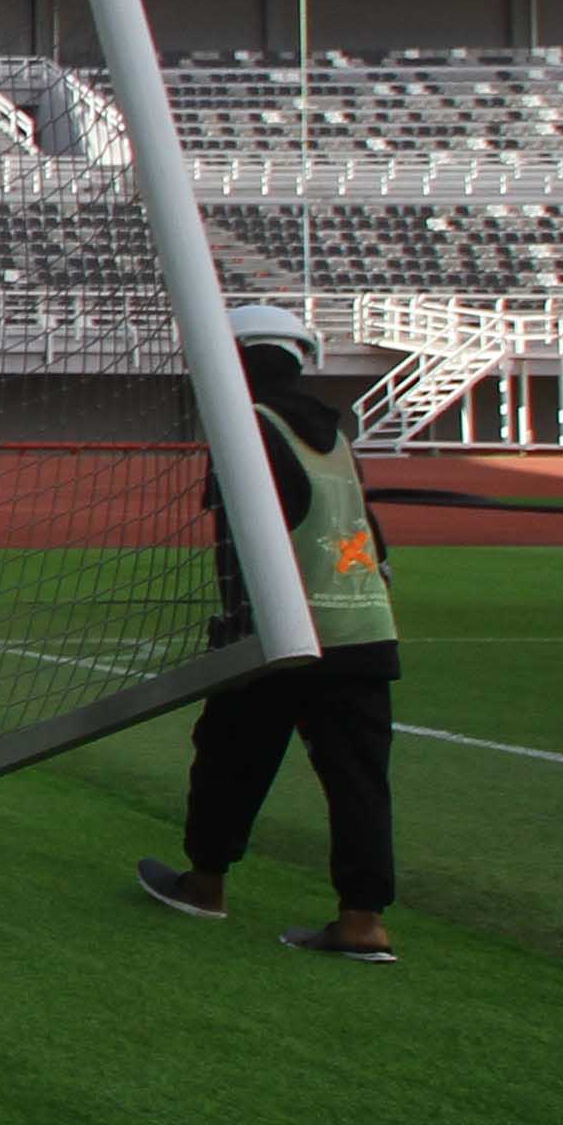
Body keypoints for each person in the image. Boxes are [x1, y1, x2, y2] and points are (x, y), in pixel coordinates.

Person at [137, 301, 401, 962]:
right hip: (365, 627)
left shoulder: (246, 426)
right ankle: (363, 922)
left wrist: (234, 631)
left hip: (282, 630)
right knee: (359, 780)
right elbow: (371, 536)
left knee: (229, 757)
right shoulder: (335, 434)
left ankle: (205, 884)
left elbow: (243, 540)